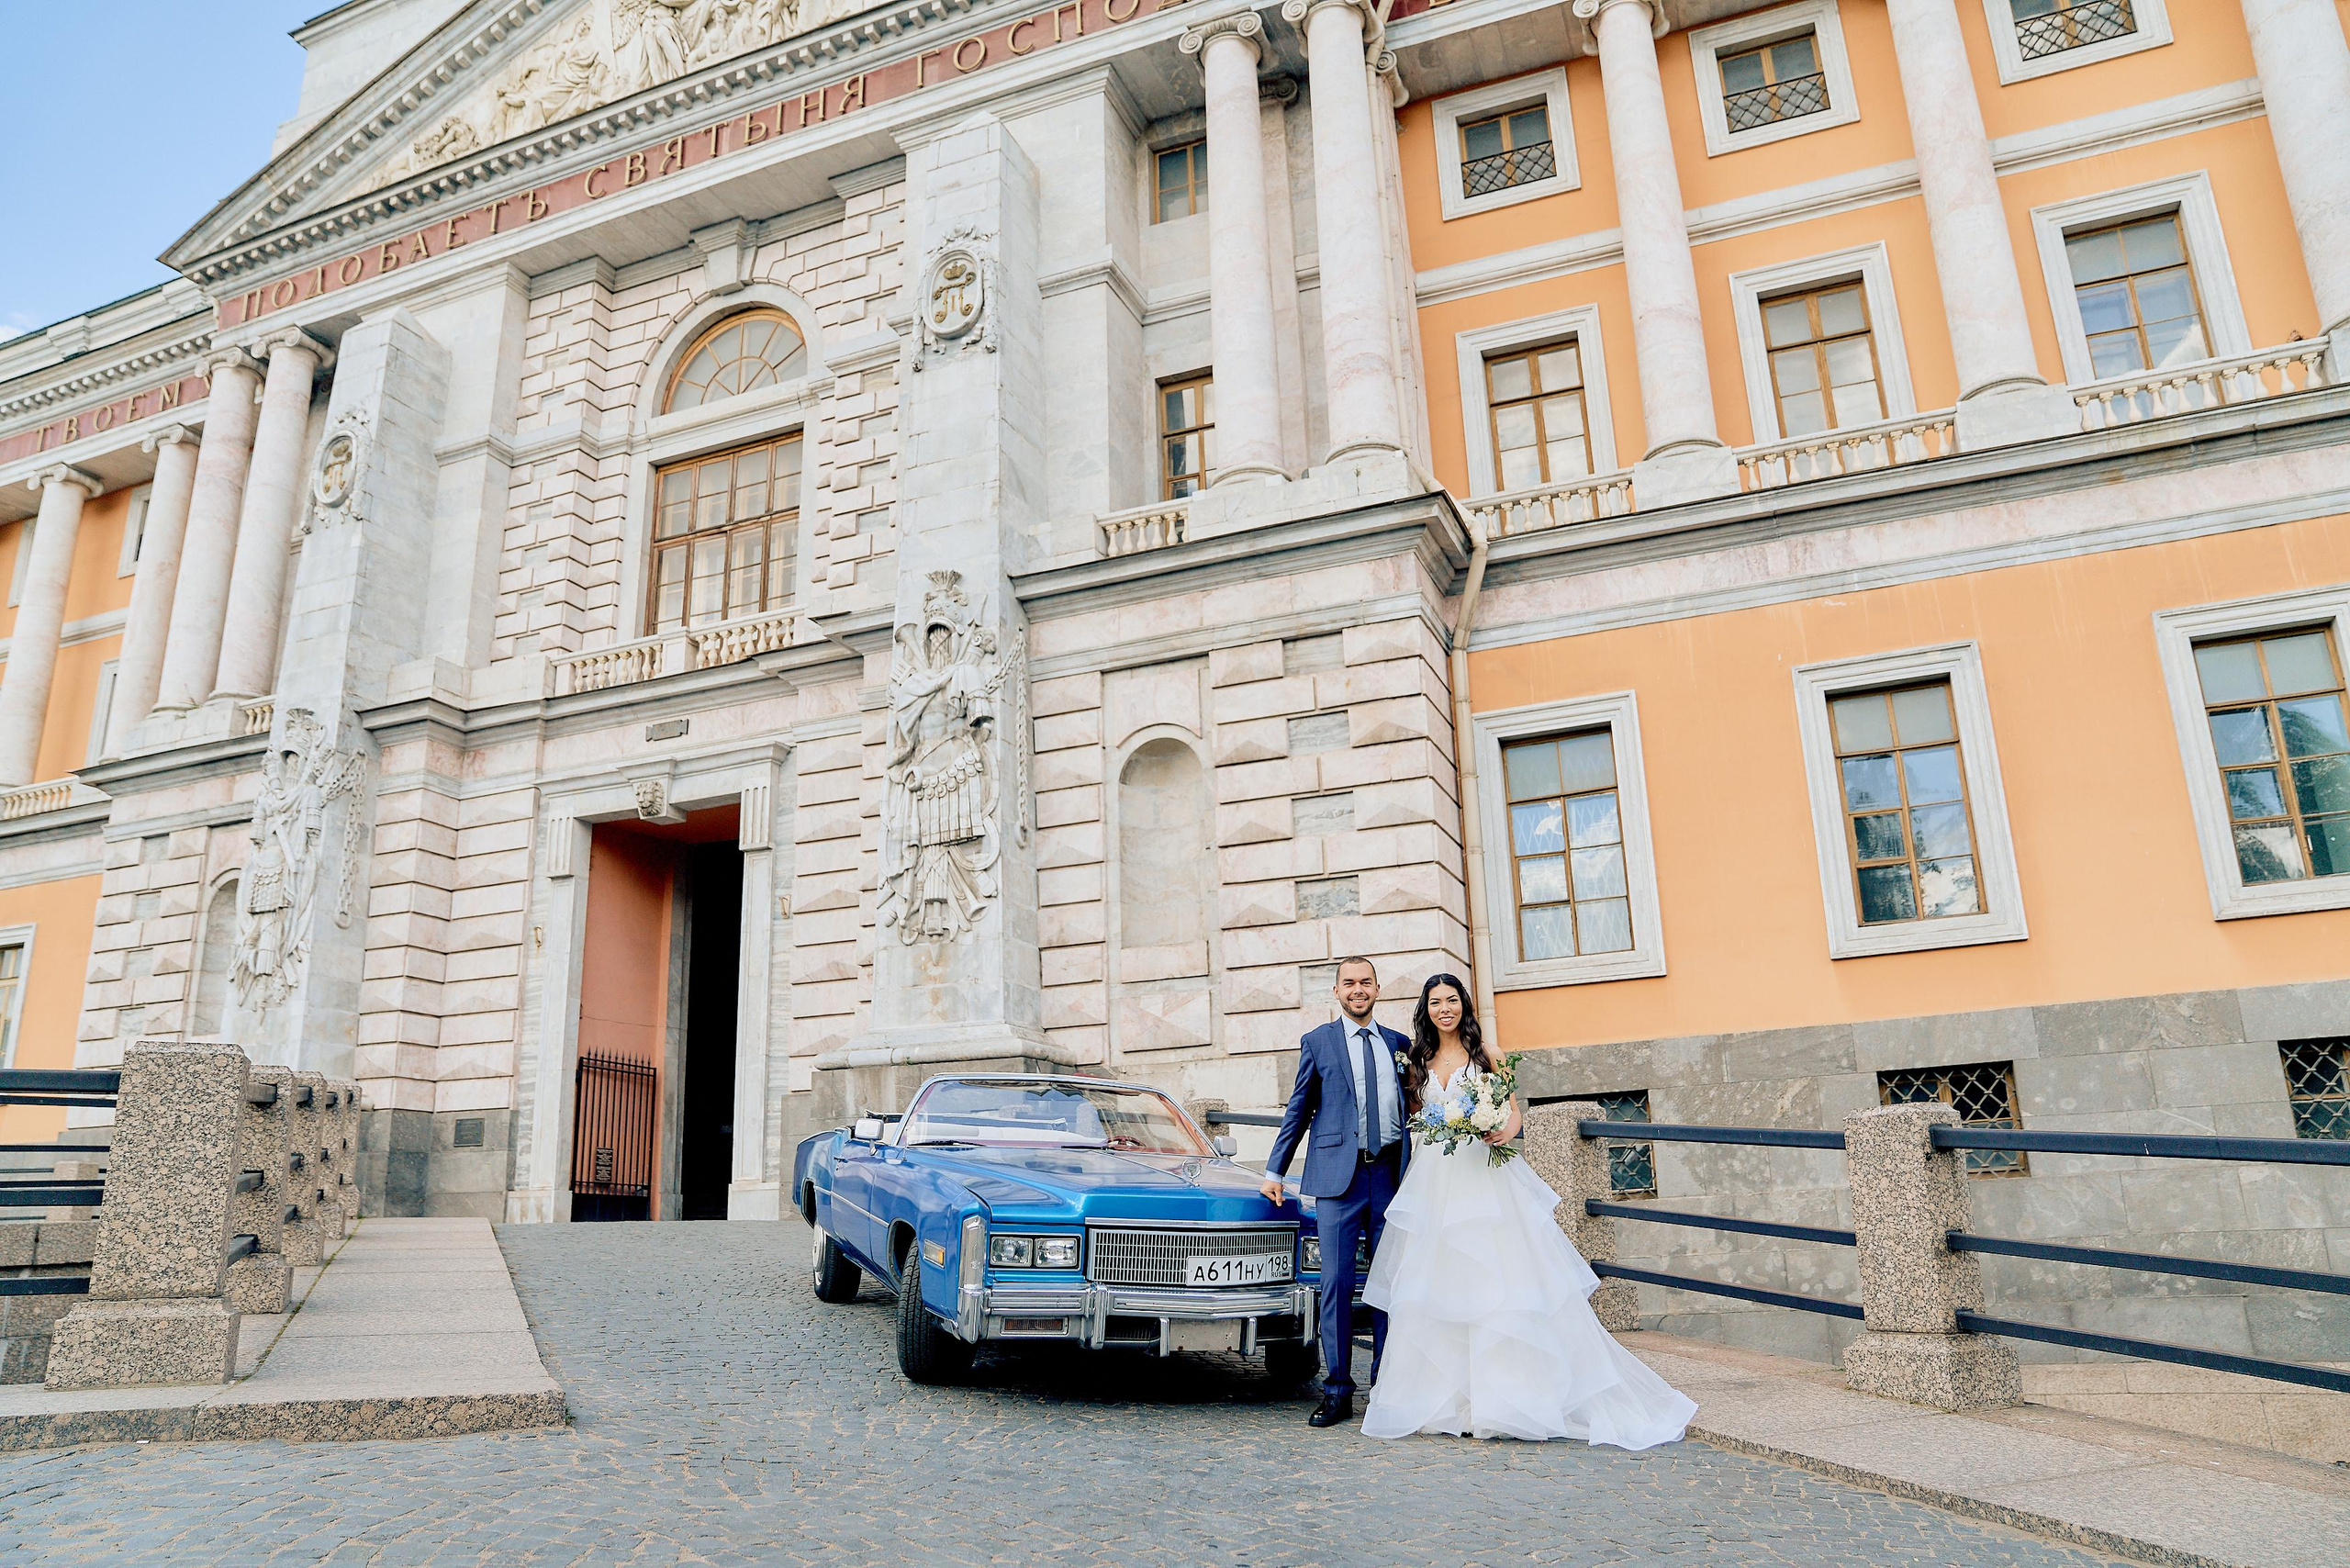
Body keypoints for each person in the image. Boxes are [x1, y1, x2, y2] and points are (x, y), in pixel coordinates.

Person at [1361, 973, 1696, 1448]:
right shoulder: (1417, 1061)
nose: (1444, 1009)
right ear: (1426, 1009)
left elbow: (1514, 1112)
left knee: (1498, 1281)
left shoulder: (1488, 1055)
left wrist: (1500, 1128)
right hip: (1435, 1178)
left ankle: (1507, 1398)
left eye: (1452, 1001)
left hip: (1485, 1176)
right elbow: (1418, 1116)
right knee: (1441, 1283)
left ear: (1464, 1005)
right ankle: (1448, 1401)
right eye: (1435, 1002)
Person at [1260, 956, 1410, 1428]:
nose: (1358, 990)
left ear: (1378, 989)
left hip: (1391, 1177)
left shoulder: (1398, 1045)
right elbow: (1298, 1110)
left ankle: (1387, 1386)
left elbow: (1419, 1109)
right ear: (1337, 991)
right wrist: (1274, 1171)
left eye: (1366, 982)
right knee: (1336, 1286)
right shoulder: (1318, 1042)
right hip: (1336, 1183)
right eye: (1349, 983)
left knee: (1390, 1287)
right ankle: (1338, 1390)